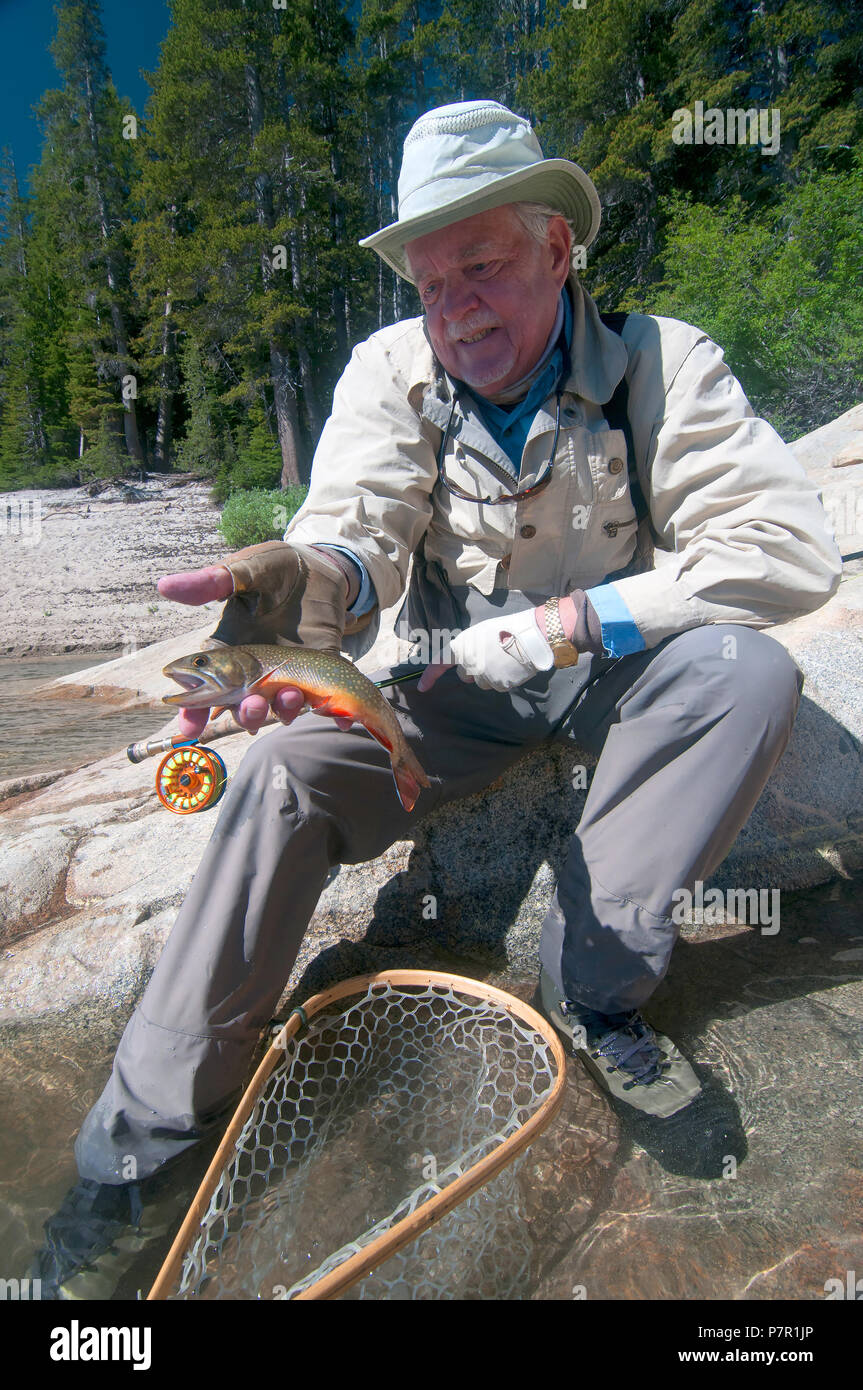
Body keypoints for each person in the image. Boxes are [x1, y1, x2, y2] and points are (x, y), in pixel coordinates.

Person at [34, 100, 842, 1298]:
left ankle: (599, 994)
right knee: (275, 771)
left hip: (618, 676)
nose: (454, 306)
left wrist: (575, 622)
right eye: (429, 280)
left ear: (558, 250)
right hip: (446, 686)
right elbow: (351, 542)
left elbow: (786, 547)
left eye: (483, 264)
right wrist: (287, 589)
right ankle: (137, 1143)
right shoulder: (389, 374)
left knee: (749, 671)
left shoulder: (666, 363)